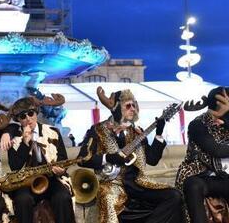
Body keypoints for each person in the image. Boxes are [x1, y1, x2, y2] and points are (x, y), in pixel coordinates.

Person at [77, 86, 184, 223]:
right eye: (128, 106)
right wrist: (108, 158)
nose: (133, 108)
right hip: (112, 183)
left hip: (138, 183)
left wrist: (158, 134)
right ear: (116, 108)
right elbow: (82, 159)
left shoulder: (138, 132)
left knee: (174, 195)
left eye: (134, 105)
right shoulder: (98, 130)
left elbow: (152, 160)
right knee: (107, 199)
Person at [175, 87, 229, 223]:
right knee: (193, 186)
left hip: (226, 178)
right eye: (228, 101)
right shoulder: (198, 124)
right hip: (202, 176)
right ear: (217, 102)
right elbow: (216, 150)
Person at [5, 97, 75, 223]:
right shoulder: (14, 138)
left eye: (31, 113)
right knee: (22, 200)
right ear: (18, 120)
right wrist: (24, 143)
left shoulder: (53, 132)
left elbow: (63, 158)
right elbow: (14, 167)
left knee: (63, 197)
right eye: (23, 116)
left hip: (52, 178)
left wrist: (60, 170)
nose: (28, 119)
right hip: (25, 182)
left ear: (36, 113)